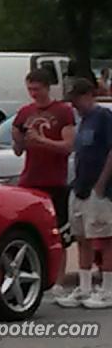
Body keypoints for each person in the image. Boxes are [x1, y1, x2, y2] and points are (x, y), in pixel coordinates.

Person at [12, 69, 76, 298]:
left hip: (54, 181)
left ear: (47, 87)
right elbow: (18, 150)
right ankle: (31, 275)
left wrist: (42, 140)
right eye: (30, 89)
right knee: (28, 231)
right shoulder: (25, 112)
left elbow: (68, 146)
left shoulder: (63, 111)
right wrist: (17, 136)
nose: (33, 94)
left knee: (58, 232)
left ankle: (58, 282)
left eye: (37, 89)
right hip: (30, 179)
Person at [56, 78, 112, 309]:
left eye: (77, 99)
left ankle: (108, 288)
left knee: (104, 237)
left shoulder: (103, 118)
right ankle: (85, 286)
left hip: (97, 189)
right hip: (79, 187)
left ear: (89, 95)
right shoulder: (84, 121)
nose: (74, 104)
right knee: (81, 237)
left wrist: (101, 184)